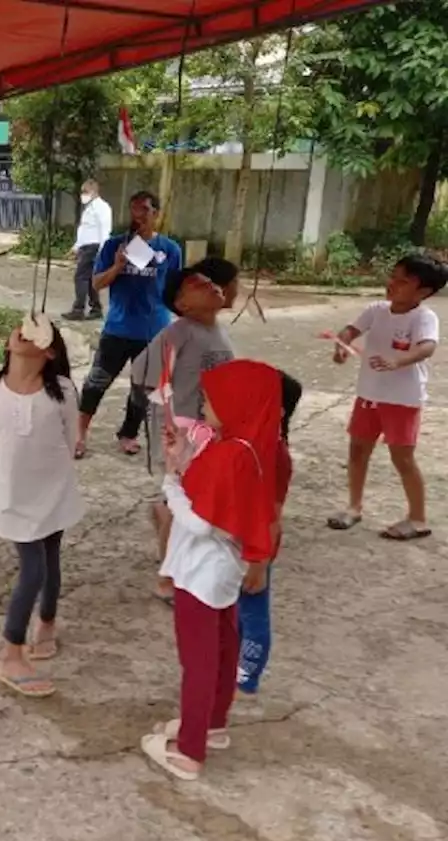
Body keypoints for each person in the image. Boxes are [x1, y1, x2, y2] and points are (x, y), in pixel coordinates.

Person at [140, 360, 280, 781]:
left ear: (238, 404)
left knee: (198, 662)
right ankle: (213, 725)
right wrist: (184, 456)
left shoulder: (226, 454)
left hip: (200, 572)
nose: (203, 404)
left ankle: (189, 751)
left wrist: (171, 483)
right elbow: (215, 493)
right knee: (223, 647)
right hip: (224, 572)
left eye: (211, 399)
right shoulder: (247, 447)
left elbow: (199, 521)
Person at [0, 316, 83, 698]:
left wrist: (47, 473)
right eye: (21, 327)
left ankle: (48, 624)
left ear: (50, 351)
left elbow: (71, 438)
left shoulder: (63, 391)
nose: (25, 329)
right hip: (13, 495)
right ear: (8, 344)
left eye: (38, 329)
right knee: (33, 568)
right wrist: (8, 468)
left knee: (51, 558)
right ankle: (10, 653)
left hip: (53, 489)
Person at [130, 261, 235, 603]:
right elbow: (142, 372)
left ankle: (164, 524)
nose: (210, 285)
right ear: (182, 304)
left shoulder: (217, 330)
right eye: (197, 284)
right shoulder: (179, 332)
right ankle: (167, 578)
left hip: (208, 433)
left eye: (210, 281)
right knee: (182, 507)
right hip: (184, 434)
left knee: (184, 503)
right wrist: (170, 418)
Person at [326, 254, 444, 540]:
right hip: (369, 395)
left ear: (423, 292)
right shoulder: (376, 309)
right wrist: (343, 344)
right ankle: (354, 507)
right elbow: (350, 329)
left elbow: (427, 347)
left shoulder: (424, 317)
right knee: (357, 451)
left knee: (402, 458)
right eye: (393, 276)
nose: (392, 284)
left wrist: (399, 361)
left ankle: (417, 518)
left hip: (402, 400)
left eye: (403, 281)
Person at [75, 190, 183, 459]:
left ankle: (128, 433)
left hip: (154, 331)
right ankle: (78, 434)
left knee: (142, 389)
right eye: (134, 209)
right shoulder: (114, 245)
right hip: (118, 329)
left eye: (144, 209)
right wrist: (117, 266)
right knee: (96, 382)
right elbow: (97, 284)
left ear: (156, 214)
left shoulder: (170, 250)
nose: (138, 215)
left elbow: (176, 290)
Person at [238, 371, 302, 697]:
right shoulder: (251, 441)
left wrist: (260, 562)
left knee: (252, 610)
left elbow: (272, 516)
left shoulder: (274, 454)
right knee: (235, 608)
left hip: (254, 547)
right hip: (235, 542)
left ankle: (247, 674)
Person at [64, 179, 113, 321]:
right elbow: (84, 230)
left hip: (94, 247)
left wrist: (103, 250)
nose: (82, 195)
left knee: (80, 277)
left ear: (93, 191)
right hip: (87, 247)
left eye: (85, 191)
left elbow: (105, 230)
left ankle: (78, 309)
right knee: (91, 279)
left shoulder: (102, 207)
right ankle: (96, 308)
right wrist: (76, 247)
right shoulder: (90, 208)